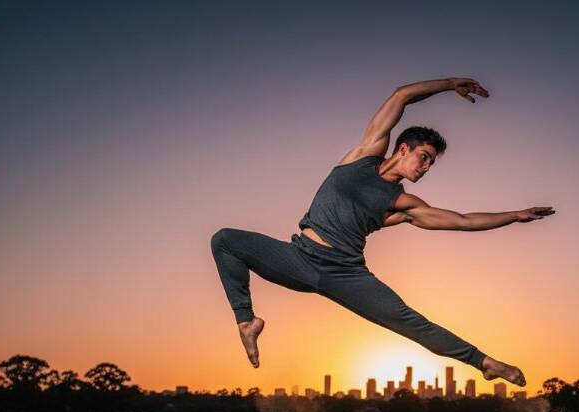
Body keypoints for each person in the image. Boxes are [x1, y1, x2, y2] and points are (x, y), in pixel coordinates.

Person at [211, 77, 555, 386]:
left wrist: (515, 215)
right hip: (298, 258)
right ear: (403, 148)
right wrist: (450, 84)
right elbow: (401, 95)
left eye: (432, 163)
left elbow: (463, 220)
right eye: (424, 157)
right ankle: (247, 322)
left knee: (409, 321)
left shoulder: (403, 203)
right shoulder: (362, 156)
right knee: (225, 240)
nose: (426, 167)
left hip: (345, 273)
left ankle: (485, 362)